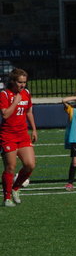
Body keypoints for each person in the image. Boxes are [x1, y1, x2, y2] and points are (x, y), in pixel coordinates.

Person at [0, 68, 37, 207]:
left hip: (22, 134)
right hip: (8, 135)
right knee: (10, 167)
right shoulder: (4, 94)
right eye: (20, 82)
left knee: (30, 164)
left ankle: (15, 188)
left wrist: (34, 129)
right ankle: (7, 198)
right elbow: (5, 114)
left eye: (24, 82)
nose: (22, 85)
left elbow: (29, 112)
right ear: (13, 81)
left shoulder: (26, 93)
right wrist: (15, 102)